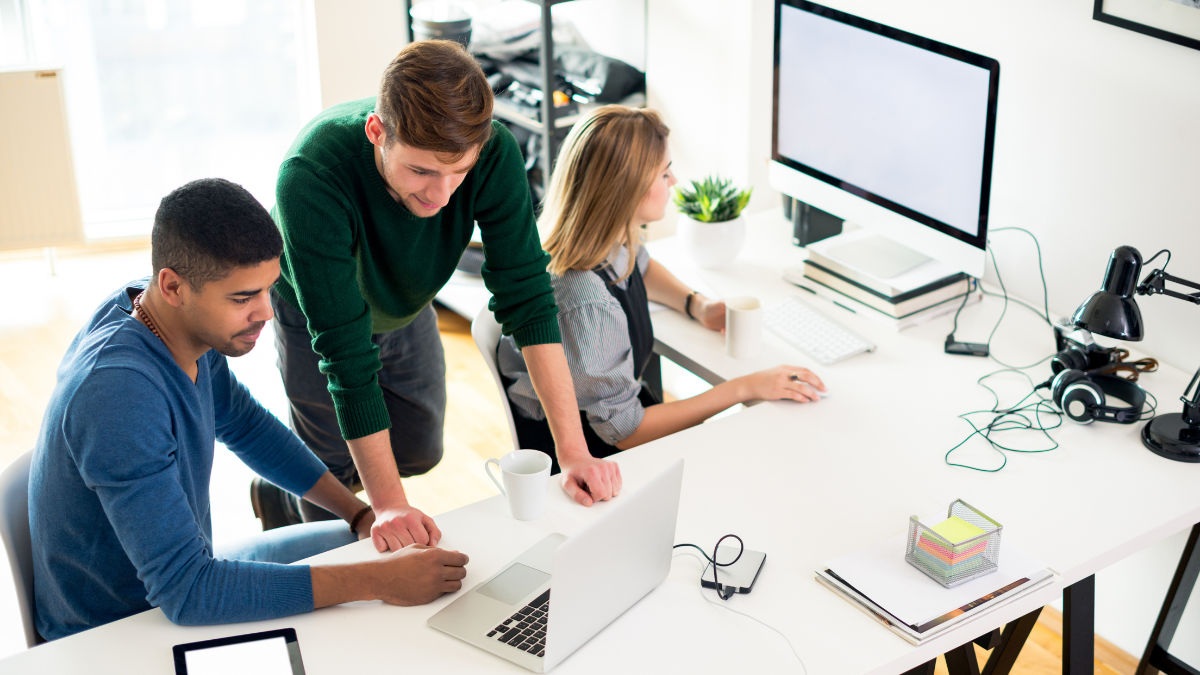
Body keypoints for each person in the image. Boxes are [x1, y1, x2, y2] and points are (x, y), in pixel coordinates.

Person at [29, 179, 468, 641]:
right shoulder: (117, 396)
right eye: (243, 298)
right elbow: (189, 592)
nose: (266, 312)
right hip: (119, 631)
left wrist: (358, 514)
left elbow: (246, 425)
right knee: (377, 592)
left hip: (183, 576)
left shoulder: (171, 320)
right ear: (173, 286)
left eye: (267, 290)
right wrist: (378, 583)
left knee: (383, 547)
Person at [257, 39, 619, 538]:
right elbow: (345, 353)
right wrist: (387, 509)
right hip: (314, 311)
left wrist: (574, 452)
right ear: (376, 132)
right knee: (332, 479)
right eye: (421, 170)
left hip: (403, 298)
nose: (442, 195)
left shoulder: (494, 153)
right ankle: (289, 500)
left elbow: (529, 302)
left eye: (459, 172)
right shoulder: (311, 176)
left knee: (420, 449)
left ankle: (298, 485)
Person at [498, 106, 826, 468]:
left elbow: (643, 267)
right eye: (665, 172)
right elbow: (626, 432)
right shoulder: (586, 300)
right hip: (598, 458)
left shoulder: (604, 240)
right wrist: (744, 387)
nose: (674, 181)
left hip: (618, 422)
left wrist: (695, 304)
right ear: (628, 189)